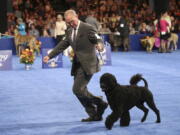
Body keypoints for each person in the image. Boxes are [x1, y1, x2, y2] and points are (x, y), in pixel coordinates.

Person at [43, 9, 108, 122]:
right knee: (82, 90)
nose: (70, 24)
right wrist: (50, 56)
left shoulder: (87, 27)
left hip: (88, 64)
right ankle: (94, 114)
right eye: (68, 22)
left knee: (77, 90)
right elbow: (62, 45)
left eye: (72, 21)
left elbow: (98, 39)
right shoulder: (69, 31)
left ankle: (100, 103)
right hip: (77, 65)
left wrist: (100, 46)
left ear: (76, 16)